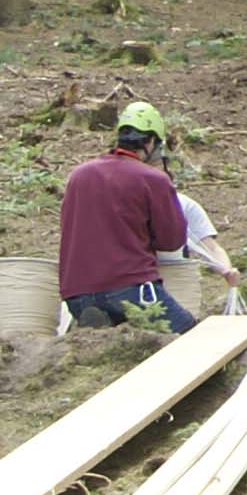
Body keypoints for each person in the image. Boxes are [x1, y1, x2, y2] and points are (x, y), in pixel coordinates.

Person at [59, 103, 199, 334]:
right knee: (187, 334)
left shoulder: (79, 175)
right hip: (131, 287)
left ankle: (102, 321)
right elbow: (172, 240)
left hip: (76, 293)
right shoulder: (153, 179)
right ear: (150, 142)